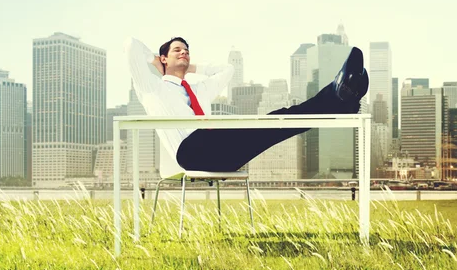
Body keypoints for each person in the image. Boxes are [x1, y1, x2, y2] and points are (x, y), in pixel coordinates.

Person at [124, 36, 369, 172]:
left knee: (281, 121)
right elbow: (131, 45)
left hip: (221, 155)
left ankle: (342, 102)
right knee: (274, 121)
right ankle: (338, 97)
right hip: (191, 152)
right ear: (164, 57)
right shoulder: (151, 88)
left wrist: (192, 66)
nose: (184, 53)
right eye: (177, 50)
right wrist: (156, 61)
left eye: (187, 50)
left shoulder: (197, 90)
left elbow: (227, 70)